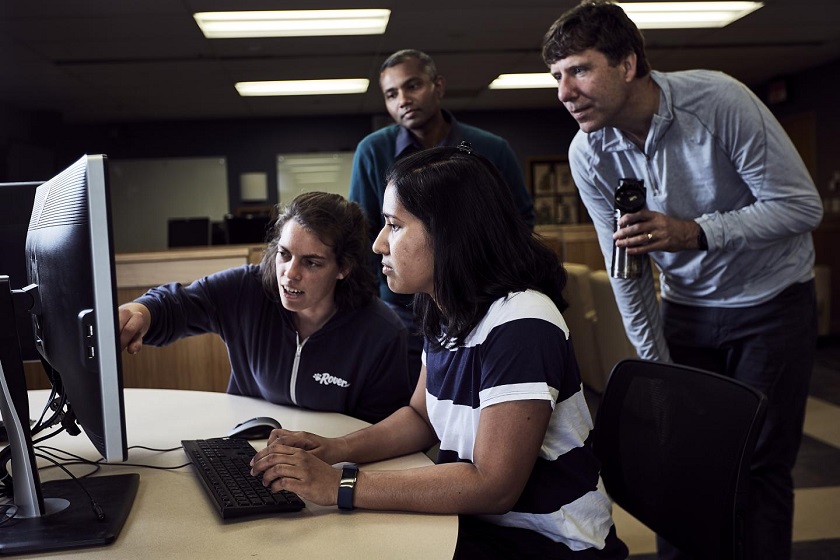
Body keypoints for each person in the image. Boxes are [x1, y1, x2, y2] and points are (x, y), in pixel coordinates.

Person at [541, 2, 824, 558]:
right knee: (685, 459)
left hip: (771, 302)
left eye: (579, 70)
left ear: (627, 64)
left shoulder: (718, 100)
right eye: (556, 77)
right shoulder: (588, 152)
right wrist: (656, 365)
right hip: (688, 308)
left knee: (760, 462)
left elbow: (801, 207)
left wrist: (694, 232)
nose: (564, 92)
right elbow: (626, 267)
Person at [251, 145, 628, 559]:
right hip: (477, 528)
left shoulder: (523, 322)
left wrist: (339, 485)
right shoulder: (444, 307)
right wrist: (336, 450)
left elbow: (493, 485)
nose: (378, 244)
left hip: (549, 545)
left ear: (448, 232)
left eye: (394, 226)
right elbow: (421, 416)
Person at [118, 192, 411, 424]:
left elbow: (381, 431)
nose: (289, 273)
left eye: (311, 262)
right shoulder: (247, 289)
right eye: (284, 254)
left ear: (343, 268)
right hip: (246, 453)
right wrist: (142, 313)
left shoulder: (381, 333)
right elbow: (177, 304)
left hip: (330, 469)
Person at [349, 49, 536, 385]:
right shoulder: (372, 151)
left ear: (438, 86)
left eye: (413, 86)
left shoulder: (491, 149)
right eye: (392, 94)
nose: (403, 100)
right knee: (411, 401)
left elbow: (519, 224)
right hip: (401, 304)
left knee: (479, 392)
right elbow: (362, 237)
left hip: (479, 300)